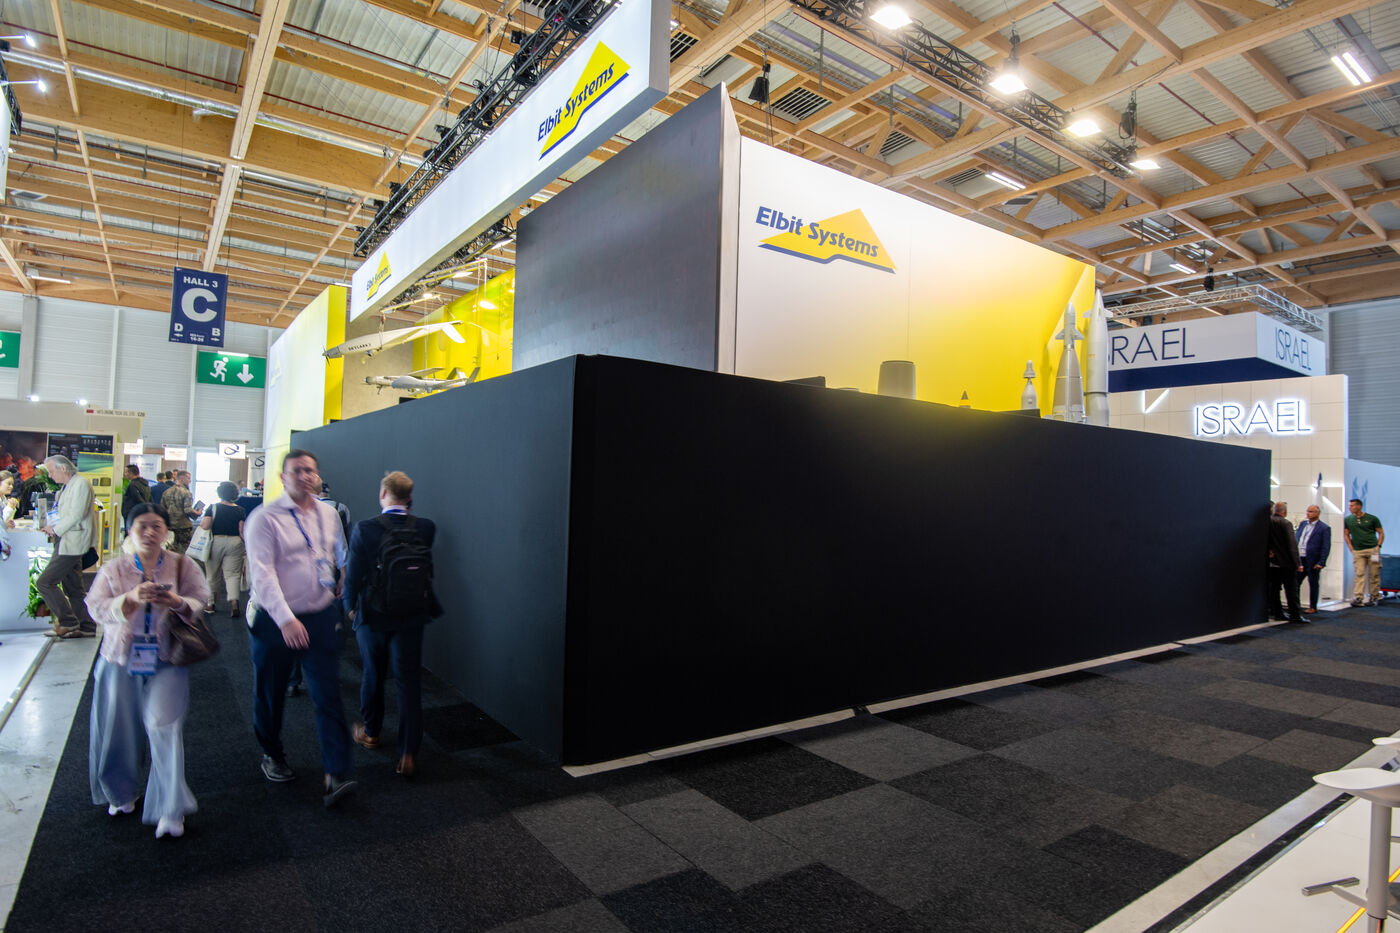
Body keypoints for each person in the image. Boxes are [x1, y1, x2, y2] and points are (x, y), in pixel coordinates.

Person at [84, 502, 210, 839]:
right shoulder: (114, 569)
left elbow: (201, 599)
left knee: (163, 726)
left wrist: (178, 603)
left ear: (166, 531)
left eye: (157, 526)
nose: (150, 532)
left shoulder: (183, 565)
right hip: (119, 658)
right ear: (130, 530)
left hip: (167, 659)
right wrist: (129, 599)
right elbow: (95, 608)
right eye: (142, 525)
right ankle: (121, 794)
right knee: (118, 729)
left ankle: (170, 808)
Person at [243, 449, 357, 807]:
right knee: (271, 692)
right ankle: (272, 754)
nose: (305, 476)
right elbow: (262, 574)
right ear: (283, 477)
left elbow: (337, 553)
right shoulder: (264, 518)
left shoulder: (329, 513)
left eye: (310, 470)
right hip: (275, 619)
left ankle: (336, 773)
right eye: (297, 471)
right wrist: (285, 619)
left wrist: (343, 577)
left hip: (320, 614)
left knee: (327, 694)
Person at [343, 471, 441, 778]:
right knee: (408, 681)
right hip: (412, 614)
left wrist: (349, 608)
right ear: (410, 498)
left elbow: (353, 575)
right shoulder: (426, 527)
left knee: (373, 674)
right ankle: (408, 753)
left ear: (383, 494)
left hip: (373, 615)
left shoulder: (365, 528)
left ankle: (371, 733)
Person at [36, 455, 99, 638]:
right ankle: (86, 626)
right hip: (66, 541)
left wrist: (55, 529)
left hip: (73, 542)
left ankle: (68, 622)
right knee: (73, 588)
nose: (50, 475)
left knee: (45, 582)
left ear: (63, 468)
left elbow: (76, 515)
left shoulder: (81, 484)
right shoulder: (67, 486)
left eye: (51, 471)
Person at [201, 481, 247, 616]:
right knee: (233, 574)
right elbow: (242, 531)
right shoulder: (240, 510)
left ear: (220, 493)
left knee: (212, 575)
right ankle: (234, 603)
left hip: (216, 542)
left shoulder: (213, 507)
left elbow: (205, 525)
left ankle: (210, 604)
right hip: (235, 542)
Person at [1344, 498, 1385, 607]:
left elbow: (1381, 532)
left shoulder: (1372, 518)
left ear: (1359, 506)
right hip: (1358, 551)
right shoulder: (1348, 520)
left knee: (1374, 574)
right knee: (1359, 574)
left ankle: (1374, 596)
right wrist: (1350, 547)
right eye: (1349, 506)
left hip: (1372, 550)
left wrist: (1378, 546)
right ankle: (1358, 597)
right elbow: (1346, 534)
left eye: (1352, 505)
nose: (1350, 508)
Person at [1267, 501, 1304, 623]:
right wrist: (1297, 563)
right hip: (1286, 563)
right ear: (1285, 511)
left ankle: (1278, 613)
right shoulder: (1286, 523)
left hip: (1272, 562)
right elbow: (1292, 545)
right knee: (1291, 590)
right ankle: (1295, 615)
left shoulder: (1268, 522)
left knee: (1274, 589)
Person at [1295, 505, 1331, 615]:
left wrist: (1321, 562)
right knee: (1296, 582)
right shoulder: (1303, 524)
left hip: (1313, 559)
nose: (1308, 513)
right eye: (1307, 511)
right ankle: (1296, 605)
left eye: (1311, 511)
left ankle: (1313, 606)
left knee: (1313, 583)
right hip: (1300, 558)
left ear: (1317, 513)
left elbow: (1326, 546)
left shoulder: (1324, 528)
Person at [162, 471, 199, 554]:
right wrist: (197, 513)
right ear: (182, 479)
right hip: (183, 527)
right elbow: (187, 510)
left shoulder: (166, 492)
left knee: (170, 550)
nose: (190, 481)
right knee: (183, 551)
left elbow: (162, 509)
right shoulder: (186, 493)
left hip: (170, 526)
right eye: (188, 478)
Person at [121, 463, 152, 528]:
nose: (125, 474)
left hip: (132, 514)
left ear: (131, 473)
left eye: (126, 472)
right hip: (141, 514)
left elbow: (137, 499)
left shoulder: (133, 485)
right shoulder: (145, 484)